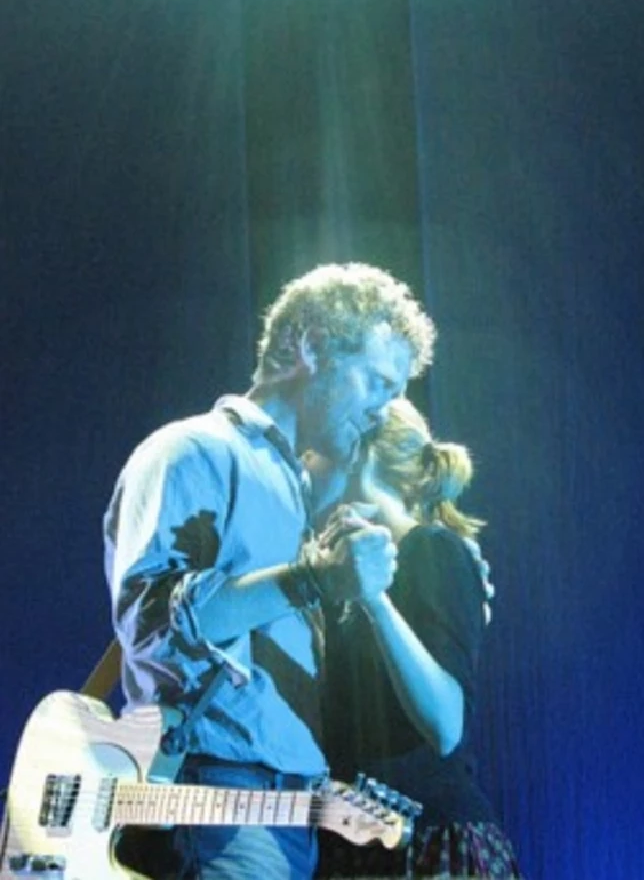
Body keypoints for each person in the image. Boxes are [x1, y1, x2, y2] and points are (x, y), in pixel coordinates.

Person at [103, 263, 436, 880]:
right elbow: (154, 629)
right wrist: (312, 580)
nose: (385, 412)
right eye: (377, 383)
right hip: (216, 800)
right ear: (310, 345)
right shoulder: (193, 450)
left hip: (282, 810)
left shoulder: (291, 489)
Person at [313, 397, 522, 879]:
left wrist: (375, 599)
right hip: (356, 844)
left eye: (319, 448)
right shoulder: (336, 572)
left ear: (359, 455)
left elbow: (446, 724)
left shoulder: (431, 549)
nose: (308, 462)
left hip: (428, 847)